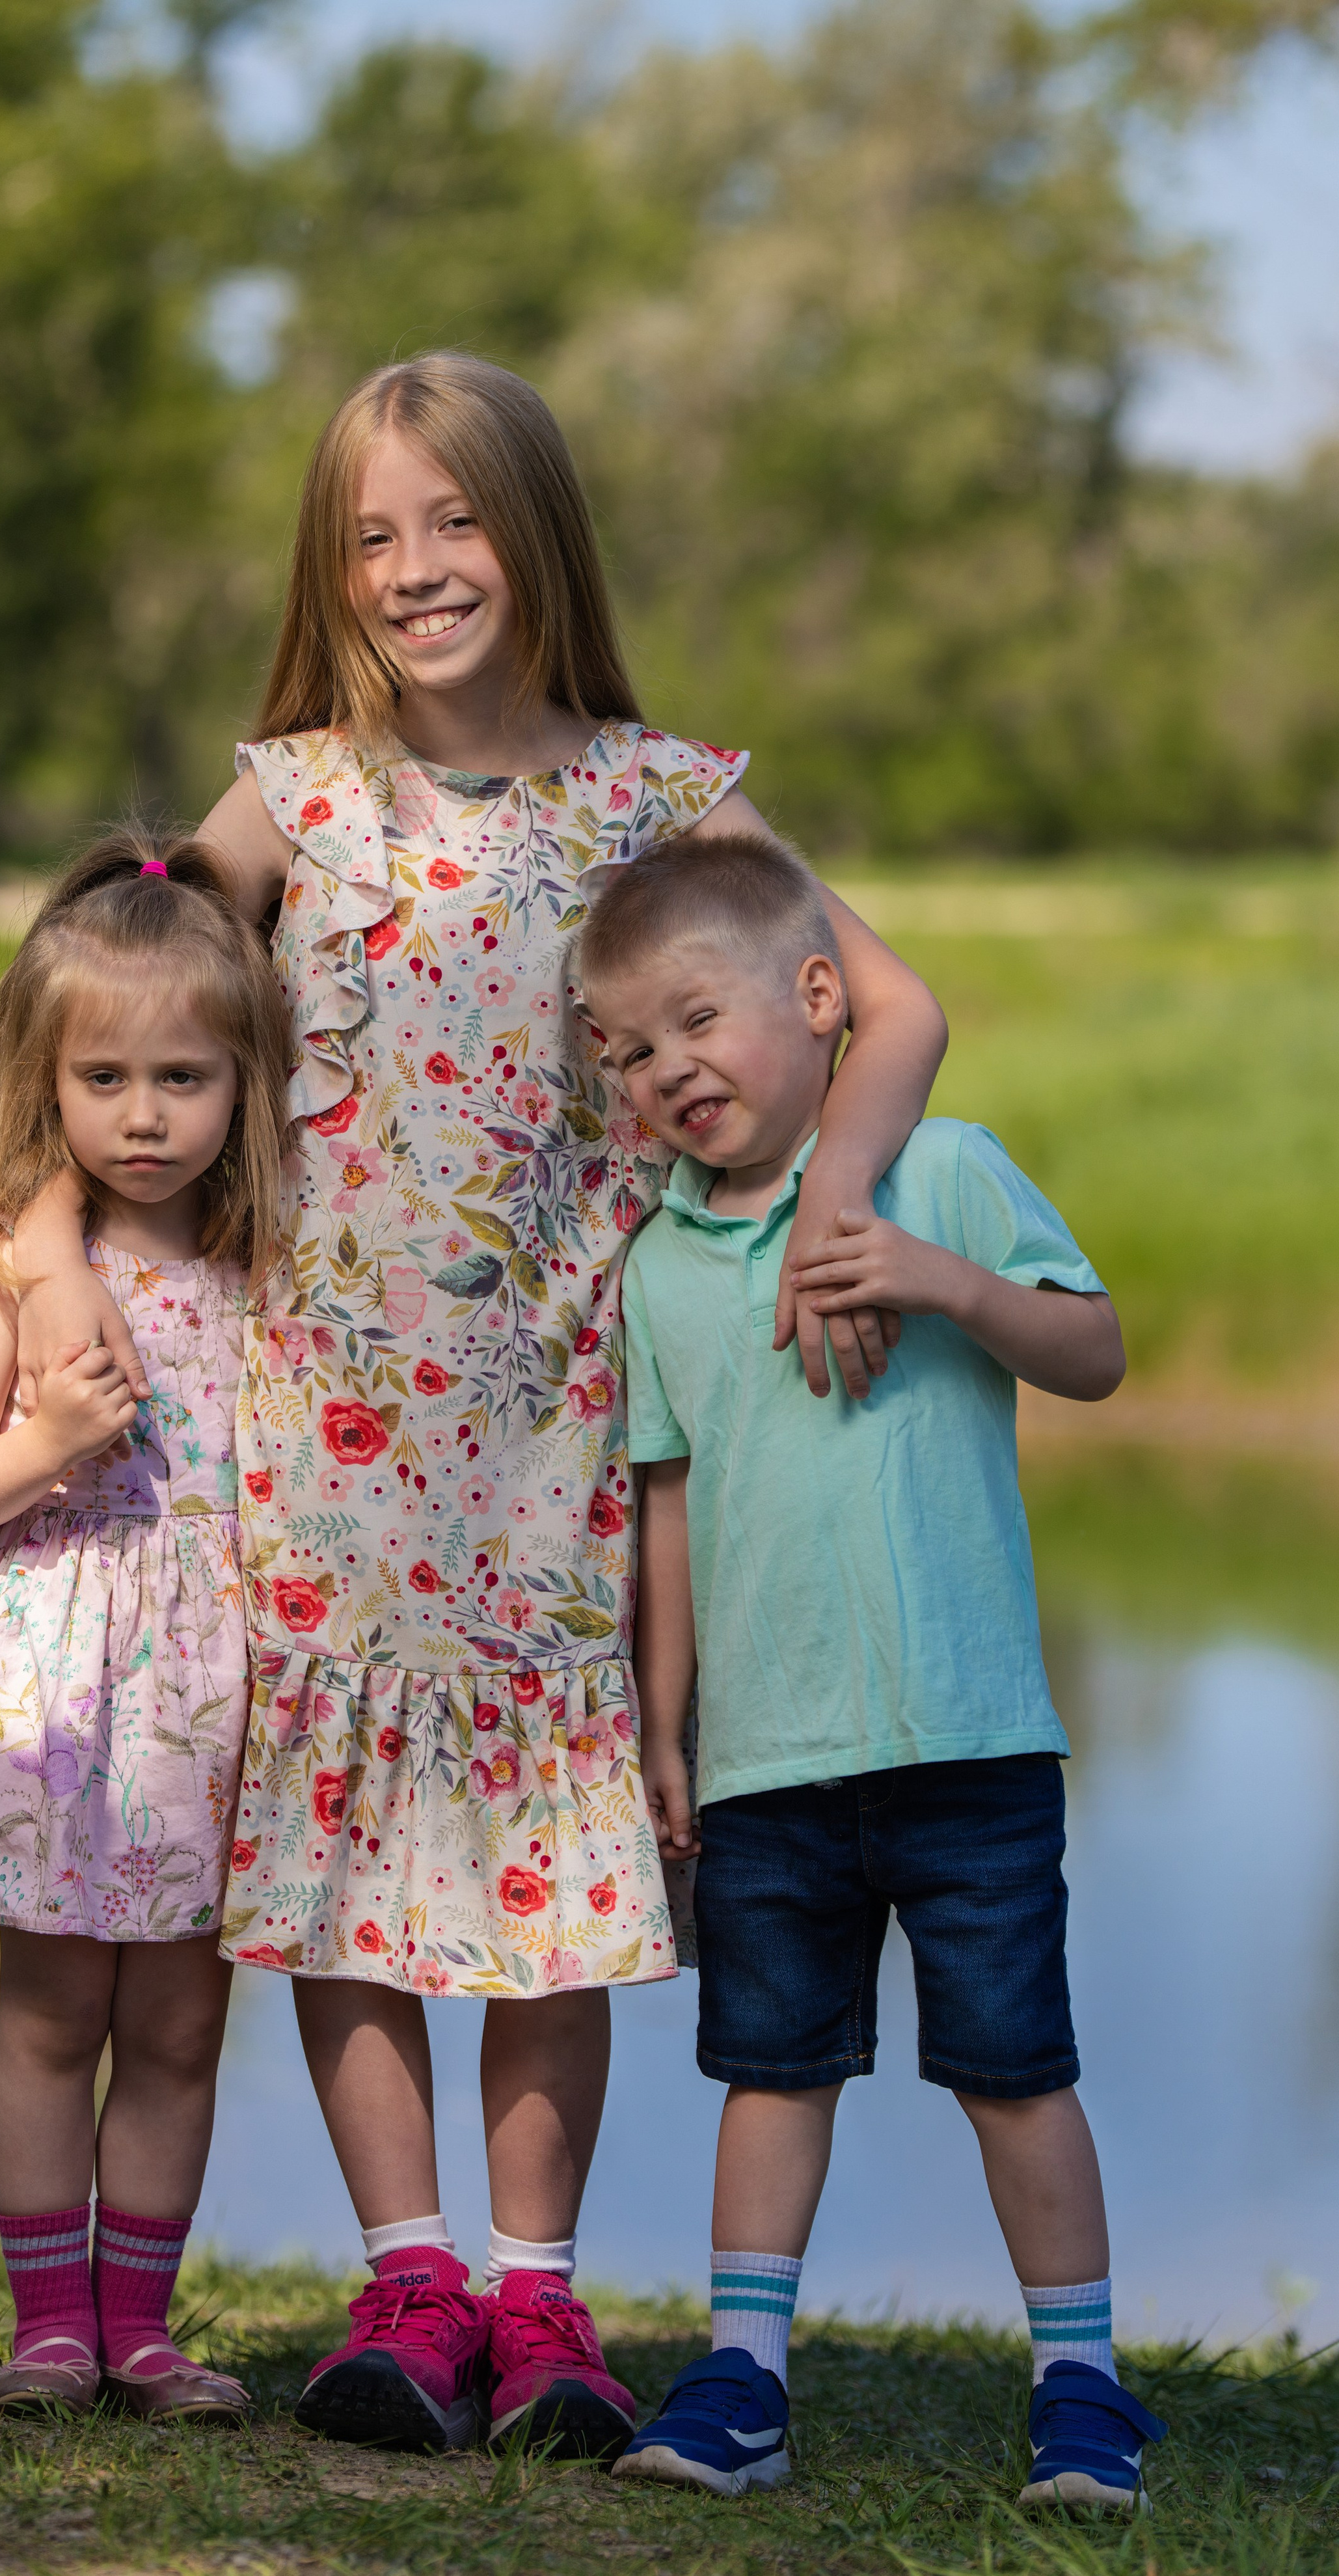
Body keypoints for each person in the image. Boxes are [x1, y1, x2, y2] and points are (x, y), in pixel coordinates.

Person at [7, 351, 948, 2458]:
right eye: (371, 533)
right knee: (343, 1868)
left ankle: (540, 2304)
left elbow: (894, 1000)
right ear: (328, 572)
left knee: (544, 1875)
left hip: (565, 1441)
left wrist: (847, 1203)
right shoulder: (293, 797)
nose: (418, 566)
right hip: (318, 1440)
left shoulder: (647, 793)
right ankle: (407, 2272)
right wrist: (52, 1256)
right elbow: (102, 1023)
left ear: (537, 532)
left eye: (455, 518)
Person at [584, 830, 1168, 2512]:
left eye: (697, 1017)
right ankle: (743, 2376)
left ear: (819, 997)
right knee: (768, 2065)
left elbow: (1098, 1346)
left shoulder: (949, 1168)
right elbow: (672, 1503)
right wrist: (666, 1718)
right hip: (771, 1754)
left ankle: (1082, 2382)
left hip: (968, 1733)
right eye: (629, 1047)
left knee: (1016, 2065)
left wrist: (945, 1282)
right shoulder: (662, 1266)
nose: (666, 1066)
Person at [0, 830, 292, 2424]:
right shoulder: (12, 1273)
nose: (144, 1114)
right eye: (104, 1077)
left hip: (206, 1696)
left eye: (182, 1076)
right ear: (48, 1083)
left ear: (243, 1083)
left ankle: (140, 2325)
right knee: (49, 2008)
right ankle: (46, 2326)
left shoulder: (259, 1266)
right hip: (58, 1688)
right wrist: (43, 1450)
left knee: (175, 2018)